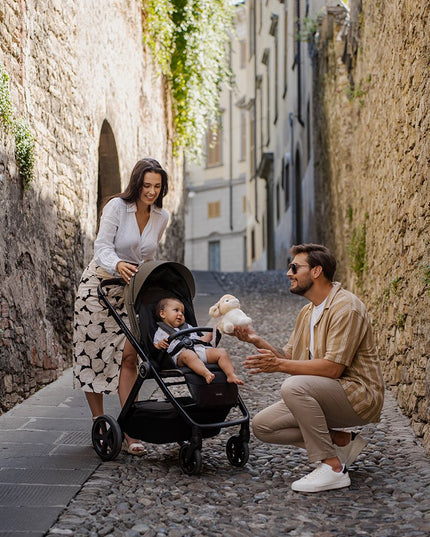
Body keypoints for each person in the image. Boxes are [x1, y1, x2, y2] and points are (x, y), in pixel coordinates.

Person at [234, 243, 384, 493]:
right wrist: (255, 340)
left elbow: (333, 369)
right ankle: (342, 441)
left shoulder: (346, 307)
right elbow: (289, 355)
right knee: (263, 425)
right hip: (328, 392)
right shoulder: (307, 312)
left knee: (294, 386)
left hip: (359, 395)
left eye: (294, 267)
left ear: (316, 271)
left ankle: (332, 467)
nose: (288, 273)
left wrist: (280, 365)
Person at [73, 157, 169, 455]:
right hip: (98, 288)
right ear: (136, 183)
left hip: (131, 292)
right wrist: (118, 264)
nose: (151, 191)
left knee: (131, 358)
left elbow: (149, 256)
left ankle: (129, 430)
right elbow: (101, 247)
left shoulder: (161, 217)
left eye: (157, 186)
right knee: (92, 355)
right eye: (147, 185)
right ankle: (99, 422)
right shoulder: (116, 207)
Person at [153, 297, 243, 385]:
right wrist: (159, 345)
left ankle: (230, 375)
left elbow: (199, 340)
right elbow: (155, 348)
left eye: (182, 312)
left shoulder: (188, 327)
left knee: (221, 352)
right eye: (176, 310)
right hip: (180, 356)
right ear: (163, 314)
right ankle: (206, 373)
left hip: (199, 350)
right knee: (188, 354)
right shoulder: (160, 332)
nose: (180, 314)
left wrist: (210, 335)